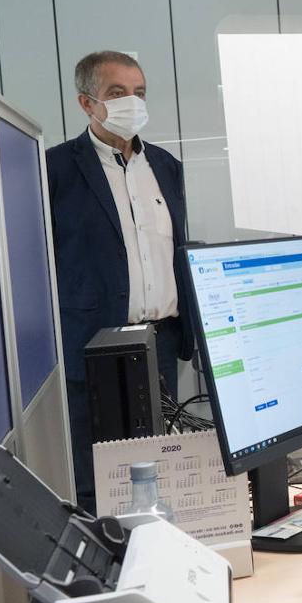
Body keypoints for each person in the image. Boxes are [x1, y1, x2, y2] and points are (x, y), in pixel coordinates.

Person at [47, 50, 194, 512]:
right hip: (95, 344)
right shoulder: (54, 169)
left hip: (161, 343)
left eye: (139, 92)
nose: (132, 102)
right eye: (117, 93)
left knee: (157, 466)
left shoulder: (165, 166)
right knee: (98, 477)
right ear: (86, 103)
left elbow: (175, 248)